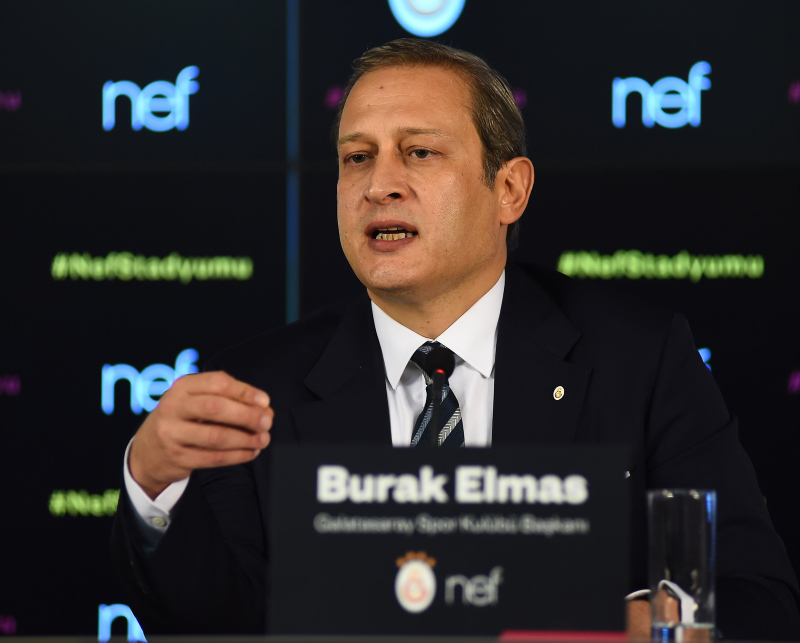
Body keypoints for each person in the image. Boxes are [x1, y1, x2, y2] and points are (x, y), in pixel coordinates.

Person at [111, 39, 800, 638]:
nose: (379, 185)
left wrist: (642, 629)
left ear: (509, 190)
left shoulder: (639, 359)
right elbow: (215, 627)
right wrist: (152, 481)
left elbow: (757, 600)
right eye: (357, 157)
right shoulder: (257, 388)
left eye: (419, 152)